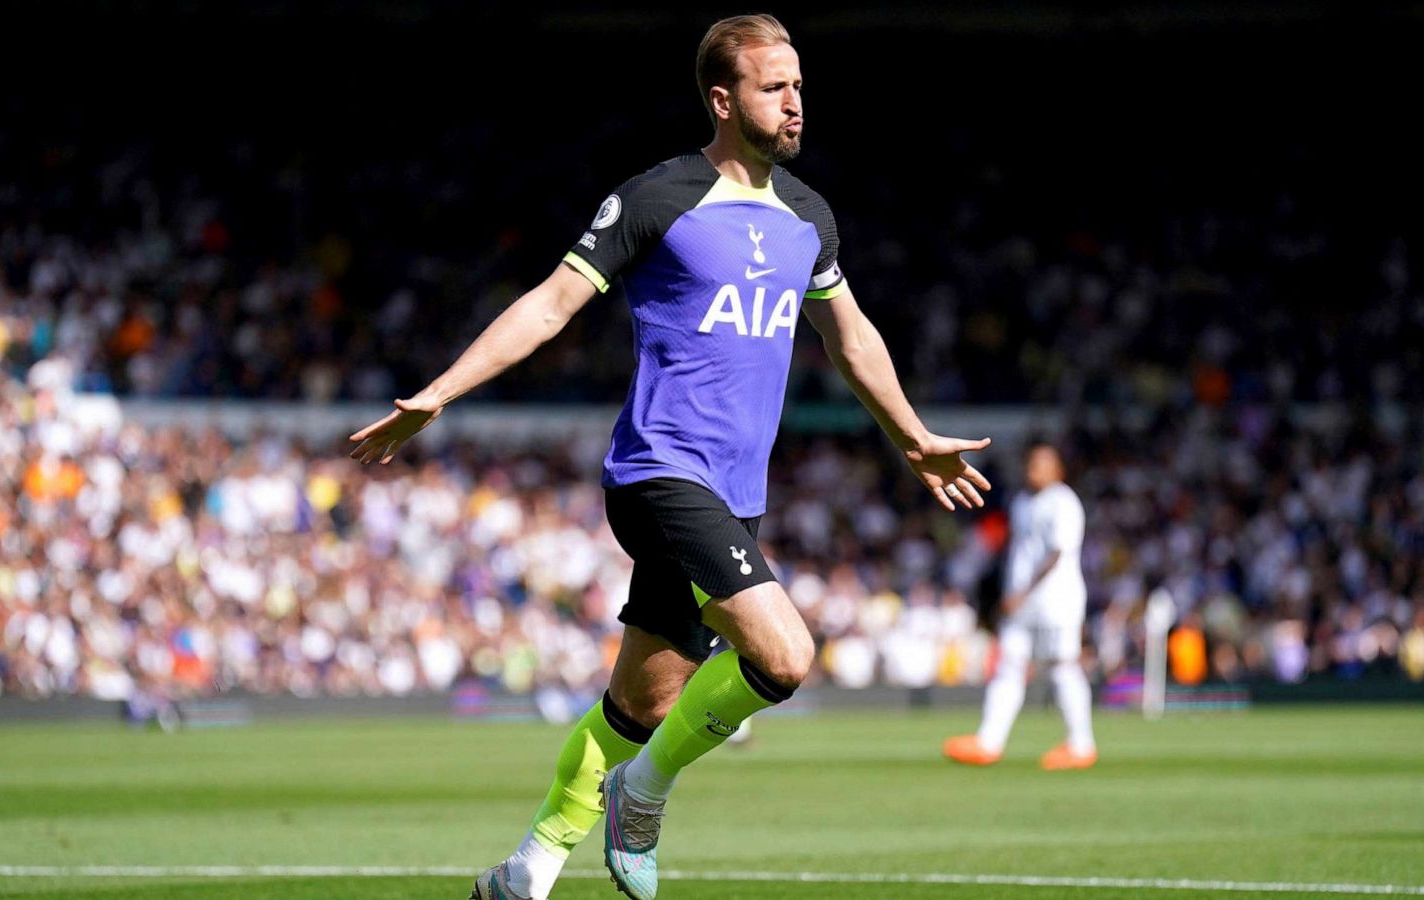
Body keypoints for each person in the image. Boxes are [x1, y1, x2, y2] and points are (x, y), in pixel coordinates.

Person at [348, 14, 992, 900]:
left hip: (735, 493)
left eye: (800, 85)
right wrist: (441, 394)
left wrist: (913, 436)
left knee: (640, 707)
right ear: (724, 100)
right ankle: (642, 795)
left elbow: (850, 337)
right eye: (776, 87)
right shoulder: (659, 198)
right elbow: (549, 304)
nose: (797, 102)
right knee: (785, 657)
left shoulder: (809, 217)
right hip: (659, 472)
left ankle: (524, 872)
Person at [944, 442, 1096, 770]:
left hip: (1057, 601)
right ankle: (989, 742)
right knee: (1009, 666)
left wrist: (1023, 593)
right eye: (1031, 463)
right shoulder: (1022, 501)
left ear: (1058, 470)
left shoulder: (1064, 502)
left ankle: (1081, 744)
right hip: (1021, 602)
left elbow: (1057, 554)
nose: (1034, 470)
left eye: (1042, 464)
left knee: (1062, 666)